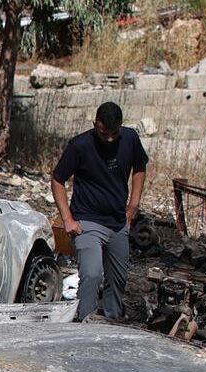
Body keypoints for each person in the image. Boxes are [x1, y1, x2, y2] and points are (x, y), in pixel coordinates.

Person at [51, 101, 149, 321]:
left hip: (117, 221)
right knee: (92, 274)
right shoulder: (80, 145)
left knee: (118, 278)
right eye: (104, 134)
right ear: (95, 124)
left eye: (114, 134)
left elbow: (140, 167)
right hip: (87, 221)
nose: (110, 139)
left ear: (121, 127)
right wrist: (67, 218)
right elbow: (58, 180)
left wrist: (134, 204)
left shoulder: (130, 139)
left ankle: (111, 321)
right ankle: (85, 322)